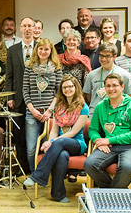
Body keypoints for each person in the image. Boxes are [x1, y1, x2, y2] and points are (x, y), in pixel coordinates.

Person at [24, 75, 89, 203]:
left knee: (61, 142)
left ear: (76, 88)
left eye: (70, 86)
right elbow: (54, 130)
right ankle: (58, 194)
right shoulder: (59, 106)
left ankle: (38, 175)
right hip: (60, 144)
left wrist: (53, 142)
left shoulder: (83, 107)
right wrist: (50, 141)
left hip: (77, 144)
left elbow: (73, 132)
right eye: (65, 87)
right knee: (62, 155)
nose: (68, 89)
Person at [84, 73, 131, 188]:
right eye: (108, 86)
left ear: (122, 87)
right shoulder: (100, 106)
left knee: (127, 167)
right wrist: (98, 140)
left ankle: (110, 197)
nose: (111, 89)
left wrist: (109, 140)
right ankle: (113, 194)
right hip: (111, 146)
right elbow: (93, 129)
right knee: (90, 164)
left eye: (115, 85)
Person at [23, 38, 62, 172]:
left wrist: (49, 111)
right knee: (31, 148)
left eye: (46, 49)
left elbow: (59, 92)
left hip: (50, 114)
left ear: (51, 51)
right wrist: (33, 110)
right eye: (41, 49)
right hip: (32, 113)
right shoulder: (29, 66)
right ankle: (35, 174)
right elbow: (25, 90)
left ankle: (46, 173)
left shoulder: (57, 68)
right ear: (36, 50)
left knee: (49, 146)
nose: (43, 52)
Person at [5, 17, 35, 171]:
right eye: (25, 26)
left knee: (38, 132)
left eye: (30, 26)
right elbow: (9, 75)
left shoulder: (41, 48)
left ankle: (37, 165)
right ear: (20, 28)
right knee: (19, 133)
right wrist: (10, 97)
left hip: (38, 99)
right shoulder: (13, 50)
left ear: (34, 28)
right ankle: (24, 167)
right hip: (18, 98)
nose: (28, 29)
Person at [83, 43, 131, 117]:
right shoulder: (91, 75)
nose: (103, 59)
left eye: (107, 56)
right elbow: (88, 96)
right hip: (95, 114)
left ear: (114, 56)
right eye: (101, 56)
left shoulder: (125, 75)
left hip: (117, 114)